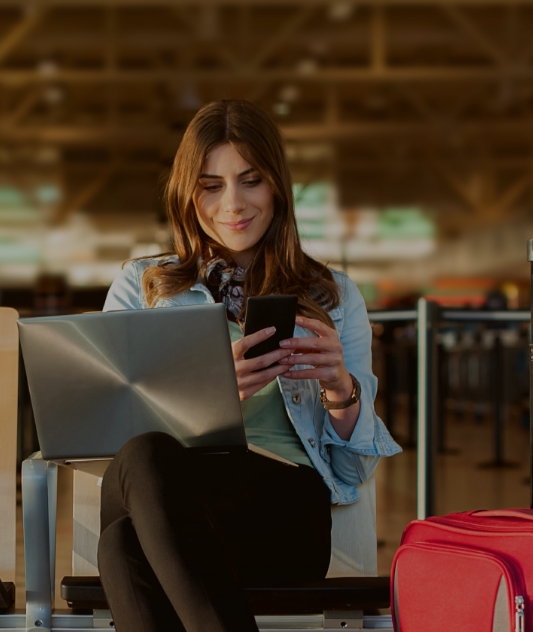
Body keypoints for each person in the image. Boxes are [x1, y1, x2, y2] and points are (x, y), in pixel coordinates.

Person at [98, 100, 401, 632]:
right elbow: (107, 441)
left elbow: (351, 476)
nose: (232, 204)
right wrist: (209, 398)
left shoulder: (332, 297)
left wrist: (340, 389)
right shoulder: (141, 286)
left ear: (277, 187)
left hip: (282, 512)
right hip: (163, 493)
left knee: (124, 545)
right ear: (187, 194)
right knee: (144, 459)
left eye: (250, 180)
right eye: (211, 185)